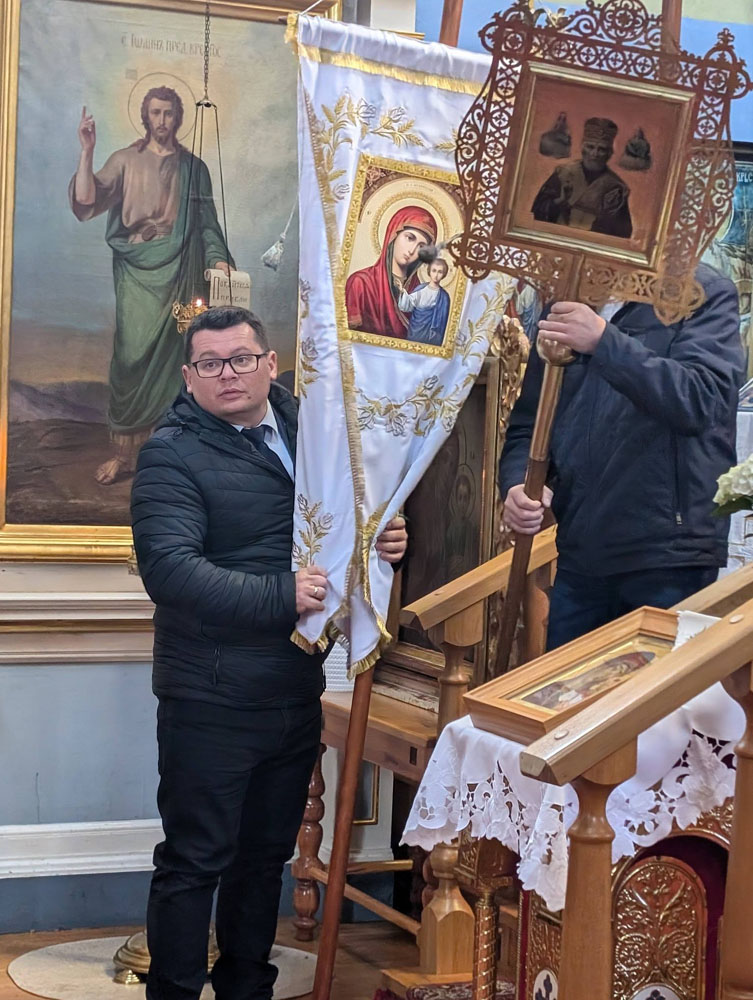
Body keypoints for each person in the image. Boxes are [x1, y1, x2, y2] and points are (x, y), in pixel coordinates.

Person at [130, 305, 408, 1000]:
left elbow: (342, 525)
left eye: (241, 358)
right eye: (210, 363)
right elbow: (171, 573)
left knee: (262, 862)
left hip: (292, 689)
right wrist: (282, 594)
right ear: (189, 376)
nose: (228, 374)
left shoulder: (315, 431)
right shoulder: (170, 453)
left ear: (270, 363)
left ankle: (246, 988)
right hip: (211, 697)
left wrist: (382, 540)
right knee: (195, 861)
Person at [499, 263, 744, 651]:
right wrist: (517, 483)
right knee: (567, 687)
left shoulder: (700, 291)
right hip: (582, 547)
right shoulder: (569, 300)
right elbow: (529, 423)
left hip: (667, 553)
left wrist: (603, 341)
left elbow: (701, 401)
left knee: (657, 690)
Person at [70, 87, 234, 485]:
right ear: (145, 117)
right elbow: (86, 201)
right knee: (130, 357)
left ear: (178, 118)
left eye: (168, 113)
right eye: (155, 113)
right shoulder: (124, 160)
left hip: (181, 273)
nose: (162, 121)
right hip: (137, 271)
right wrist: (87, 151)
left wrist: (218, 260)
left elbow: (208, 225)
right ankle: (123, 455)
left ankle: (173, 453)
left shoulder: (194, 168)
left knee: (180, 361)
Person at [345, 205, 437, 339]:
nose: (412, 250)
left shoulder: (421, 294)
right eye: (409, 238)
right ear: (393, 235)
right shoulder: (360, 283)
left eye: (421, 246)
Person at [531, 117, 633, 238]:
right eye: (590, 147)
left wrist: (608, 214)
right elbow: (539, 209)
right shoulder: (563, 173)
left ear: (610, 153)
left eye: (601, 149)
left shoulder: (616, 187)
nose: (594, 154)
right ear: (582, 147)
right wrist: (559, 201)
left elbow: (623, 232)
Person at [399, 256, 452, 346]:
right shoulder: (421, 289)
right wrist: (402, 291)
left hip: (432, 336)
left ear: (444, 274)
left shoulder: (444, 297)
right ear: (429, 271)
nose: (436, 275)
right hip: (415, 331)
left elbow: (442, 323)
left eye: (440, 272)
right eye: (434, 271)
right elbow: (407, 305)